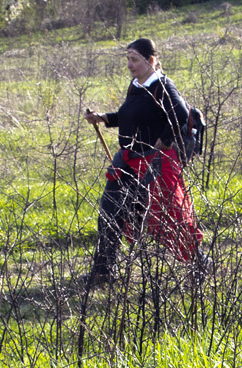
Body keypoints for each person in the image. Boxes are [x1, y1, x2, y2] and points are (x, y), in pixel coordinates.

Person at [85, 37, 207, 286]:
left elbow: (181, 113)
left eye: (135, 59)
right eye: (128, 59)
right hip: (128, 161)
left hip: (156, 164)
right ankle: (104, 271)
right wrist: (103, 118)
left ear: (150, 60)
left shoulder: (162, 85)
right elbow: (129, 116)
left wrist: (163, 140)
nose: (130, 65)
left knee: (169, 217)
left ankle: (199, 263)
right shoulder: (136, 85)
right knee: (110, 211)